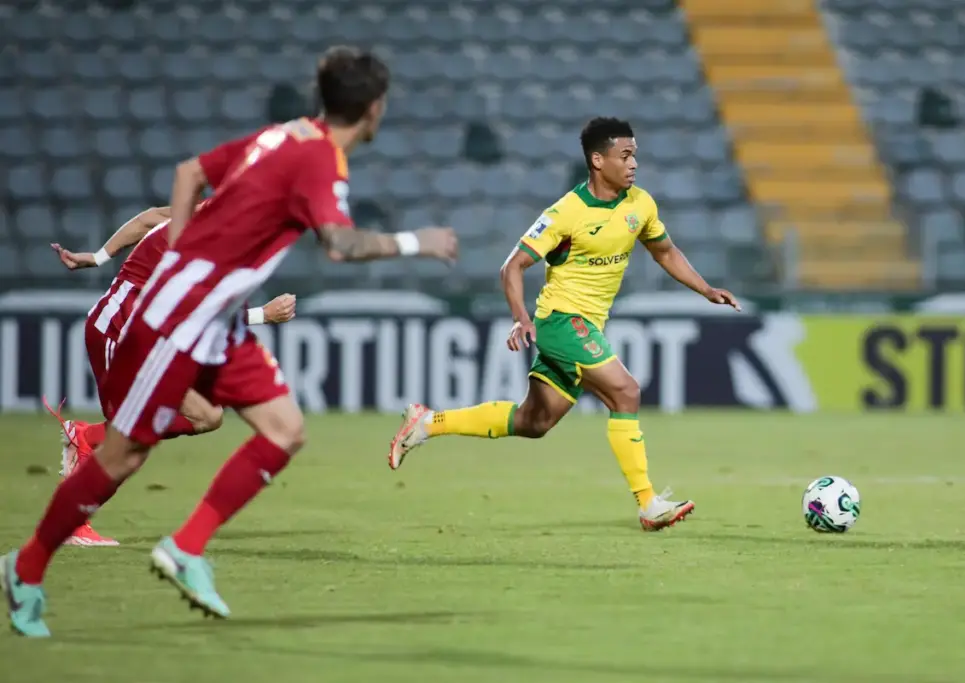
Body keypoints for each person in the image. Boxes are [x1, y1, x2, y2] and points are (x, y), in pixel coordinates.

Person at [2, 45, 458, 638]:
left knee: (284, 430)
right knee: (123, 456)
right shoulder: (320, 162)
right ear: (375, 110)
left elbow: (190, 173)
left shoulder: (283, 135)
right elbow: (340, 245)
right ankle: (26, 567)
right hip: (177, 317)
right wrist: (414, 242)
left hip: (218, 321)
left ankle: (186, 547)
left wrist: (192, 251)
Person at [389, 117, 739, 531]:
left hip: (586, 325)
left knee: (534, 422)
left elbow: (665, 252)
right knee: (625, 391)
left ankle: (427, 423)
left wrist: (705, 289)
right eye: (624, 156)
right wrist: (522, 318)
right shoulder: (565, 213)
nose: (633, 165)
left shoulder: (640, 205)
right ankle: (648, 504)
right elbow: (512, 267)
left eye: (635, 156)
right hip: (560, 321)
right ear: (597, 160)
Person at [47, 206, 297, 547]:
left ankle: (86, 437)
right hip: (119, 331)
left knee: (206, 415)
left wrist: (99, 256)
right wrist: (262, 316)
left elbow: (150, 218)